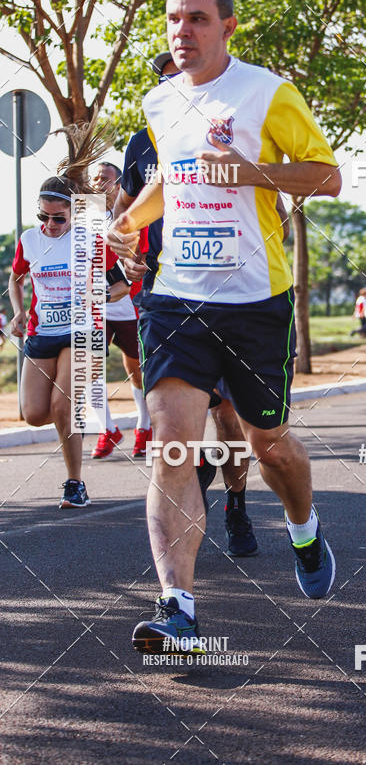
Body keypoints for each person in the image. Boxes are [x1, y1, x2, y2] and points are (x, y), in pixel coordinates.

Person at [108, 0, 341, 653]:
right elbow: (172, 177)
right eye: (173, 19)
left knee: (270, 446)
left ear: (228, 27)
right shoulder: (160, 101)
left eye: (198, 19)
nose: (182, 30)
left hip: (256, 300)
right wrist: (130, 221)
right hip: (177, 297)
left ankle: (304, 529)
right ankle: (177, 610)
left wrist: (250, 173)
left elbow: (326, 176)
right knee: (172, 445)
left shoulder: (267, 92)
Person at [112, 51, 289, 558]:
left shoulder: (232, 129)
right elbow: (125, 209)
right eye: (167, 77)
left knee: (231, 420)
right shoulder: (144, 141)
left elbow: (274, 208)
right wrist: (125, 248)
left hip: (235, 296)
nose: (179, 84)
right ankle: (178, 569)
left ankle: (236, 504)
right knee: (173, 430)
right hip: (167, 296)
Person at [8, 125, 129, 508]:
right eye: (43, 216)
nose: (50, 225)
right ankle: (72, 420)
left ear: (74, 212)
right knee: (33, 414)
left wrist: (97, 297)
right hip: (42, 332)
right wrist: (19, 312)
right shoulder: (30, 240)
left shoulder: (90, 240)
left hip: (84, 332)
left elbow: (123, 286)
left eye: (58, 218)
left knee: (63, 406)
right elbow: (15, 279)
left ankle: (75, 484)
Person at [88, 161, 153, 458]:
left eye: (104, 178)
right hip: (97, 306)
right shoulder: (82, 219)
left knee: (136, 369)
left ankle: (144, 426)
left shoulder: (132, 215)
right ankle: (108, 429)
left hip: (129, 304)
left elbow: (140, 258)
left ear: (118, 185)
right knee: (88, 368)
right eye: (94, 178)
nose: (98, 183)